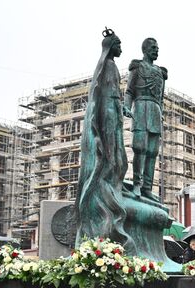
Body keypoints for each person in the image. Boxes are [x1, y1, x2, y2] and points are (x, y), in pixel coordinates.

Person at [76, 28, 133, 248]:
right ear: (111, 47)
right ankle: (108, 188)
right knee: (112, 158)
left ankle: (114, 184)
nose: (121, 48)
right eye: (118, 45)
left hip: (114, 113)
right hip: (108, 115)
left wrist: (121, 108)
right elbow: (102, 96)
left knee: (118, 158)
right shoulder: (107, 66)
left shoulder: (112, 66)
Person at [123, 37, 168, 200]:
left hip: (155, 111)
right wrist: (126, 106)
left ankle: (147, 188)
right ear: (145, 49)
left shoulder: (161, 73)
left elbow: (161, 98)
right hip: (141, 107)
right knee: (140, 148)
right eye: (154, 47)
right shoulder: (137, 67)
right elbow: (129, 92)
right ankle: (137, 183)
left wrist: (161, 114)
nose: (157, 50)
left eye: (158, 48)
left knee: (152, 151)